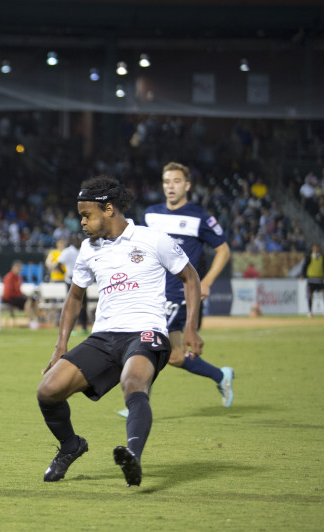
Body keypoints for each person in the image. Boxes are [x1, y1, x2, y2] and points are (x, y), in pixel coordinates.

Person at [36, 176, 203, 487]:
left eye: (86, 215)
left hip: (145, 332)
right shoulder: (88, 249)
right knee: (47, 391)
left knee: (133, 382)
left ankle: (133, 456)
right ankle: (71, 446)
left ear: (108, 209)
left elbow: (190, 277)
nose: (82, 223)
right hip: (104, 336)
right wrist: (60, 345)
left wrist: (191, 327)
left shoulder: (153, 239)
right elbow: (75, 297)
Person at [133, 162, 234, 410]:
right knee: (175, 356)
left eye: (176, 181)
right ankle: (221, 376)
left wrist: (206, 281)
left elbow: (223, 250)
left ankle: (137, 401)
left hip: (178, 295)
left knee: (146, 343)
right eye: (167, 181)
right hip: (153, 292)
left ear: (187, 185)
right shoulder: (150, 214)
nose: (170, 186)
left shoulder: (200, 217)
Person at [56, 234, 88, 333]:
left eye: (79, 239)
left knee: (84, 304)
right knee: (71, 305)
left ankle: (84, 327)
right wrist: (67, 274)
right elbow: (59, 265)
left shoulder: (84, 250)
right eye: (76, 239)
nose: (78, 241)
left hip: (82, 281)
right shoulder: (67, 251)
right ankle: (71, 328)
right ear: (72, 241)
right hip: (71, 281)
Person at [1, 260, 37, 324]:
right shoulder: (9, 277)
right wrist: (21, 296)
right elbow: (8, 293)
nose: (20, 269)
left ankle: (37, 318)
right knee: (28, 301)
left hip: (16, 297)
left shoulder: (18, 277)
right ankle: (31, 321)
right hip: (9, 298)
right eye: (19, 267)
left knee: (34, 300)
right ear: (14, 267)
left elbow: (18, 290)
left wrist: (23, 295)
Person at [301, 243, 324, 317]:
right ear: (312, 249)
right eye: (315, 248)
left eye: (317, 248)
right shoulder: (309, 257)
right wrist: (303, 275)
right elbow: (304, 267)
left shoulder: (322, 257)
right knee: (310, 295)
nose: (316, 249)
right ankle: (310, 311)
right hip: (311, 280)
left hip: (320, 280)